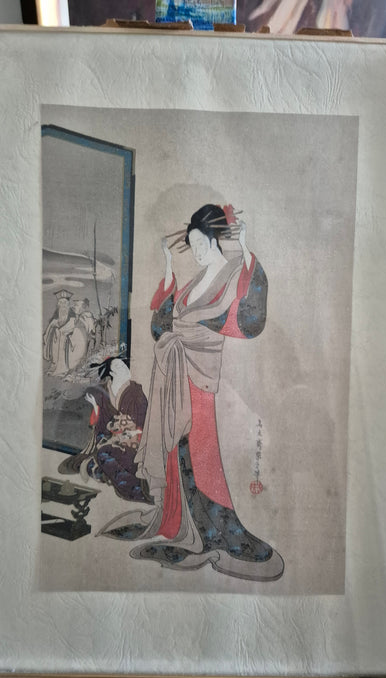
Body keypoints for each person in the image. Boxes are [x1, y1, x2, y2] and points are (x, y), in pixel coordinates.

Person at [98, 204, 284, 582]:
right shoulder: (197, 278)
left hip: (199, 377)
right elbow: (164, 321)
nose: (197, 252)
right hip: (174, 374)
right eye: (193, 245)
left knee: (200, 452)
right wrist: (169, 268)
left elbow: (247, 319)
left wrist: (246, 248)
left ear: (215, 240)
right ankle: (177, 520)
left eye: (201, 244)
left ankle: (211, 531)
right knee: (175, 450)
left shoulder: (233, 272)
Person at [58, 357, 151, 503]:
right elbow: (102, 423)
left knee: (105, 455)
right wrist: (96, 407)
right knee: (101, 452)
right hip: (113, 438)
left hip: (135, 442)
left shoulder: (136, 393)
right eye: (119, 367)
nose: (125, 369)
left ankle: (134, 490)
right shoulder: (105, 392)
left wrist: (124, 436)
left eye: (124, 365)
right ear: (111, 373)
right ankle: (105, 471)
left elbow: (143, 425)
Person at [43, 289, 76, 376]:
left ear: (68, 304)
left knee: (63, 351)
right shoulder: (57, 312)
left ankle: (63, 368)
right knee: (55, 351)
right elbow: (53, 322)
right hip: (56, 336)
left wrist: (63, 329)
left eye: (64, 303)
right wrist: (54, 324)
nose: (63, 305)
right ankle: (54, 366)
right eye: (61, 303)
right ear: (58, 304)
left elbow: (72, 323)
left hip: (66, 336)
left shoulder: (71, 313)